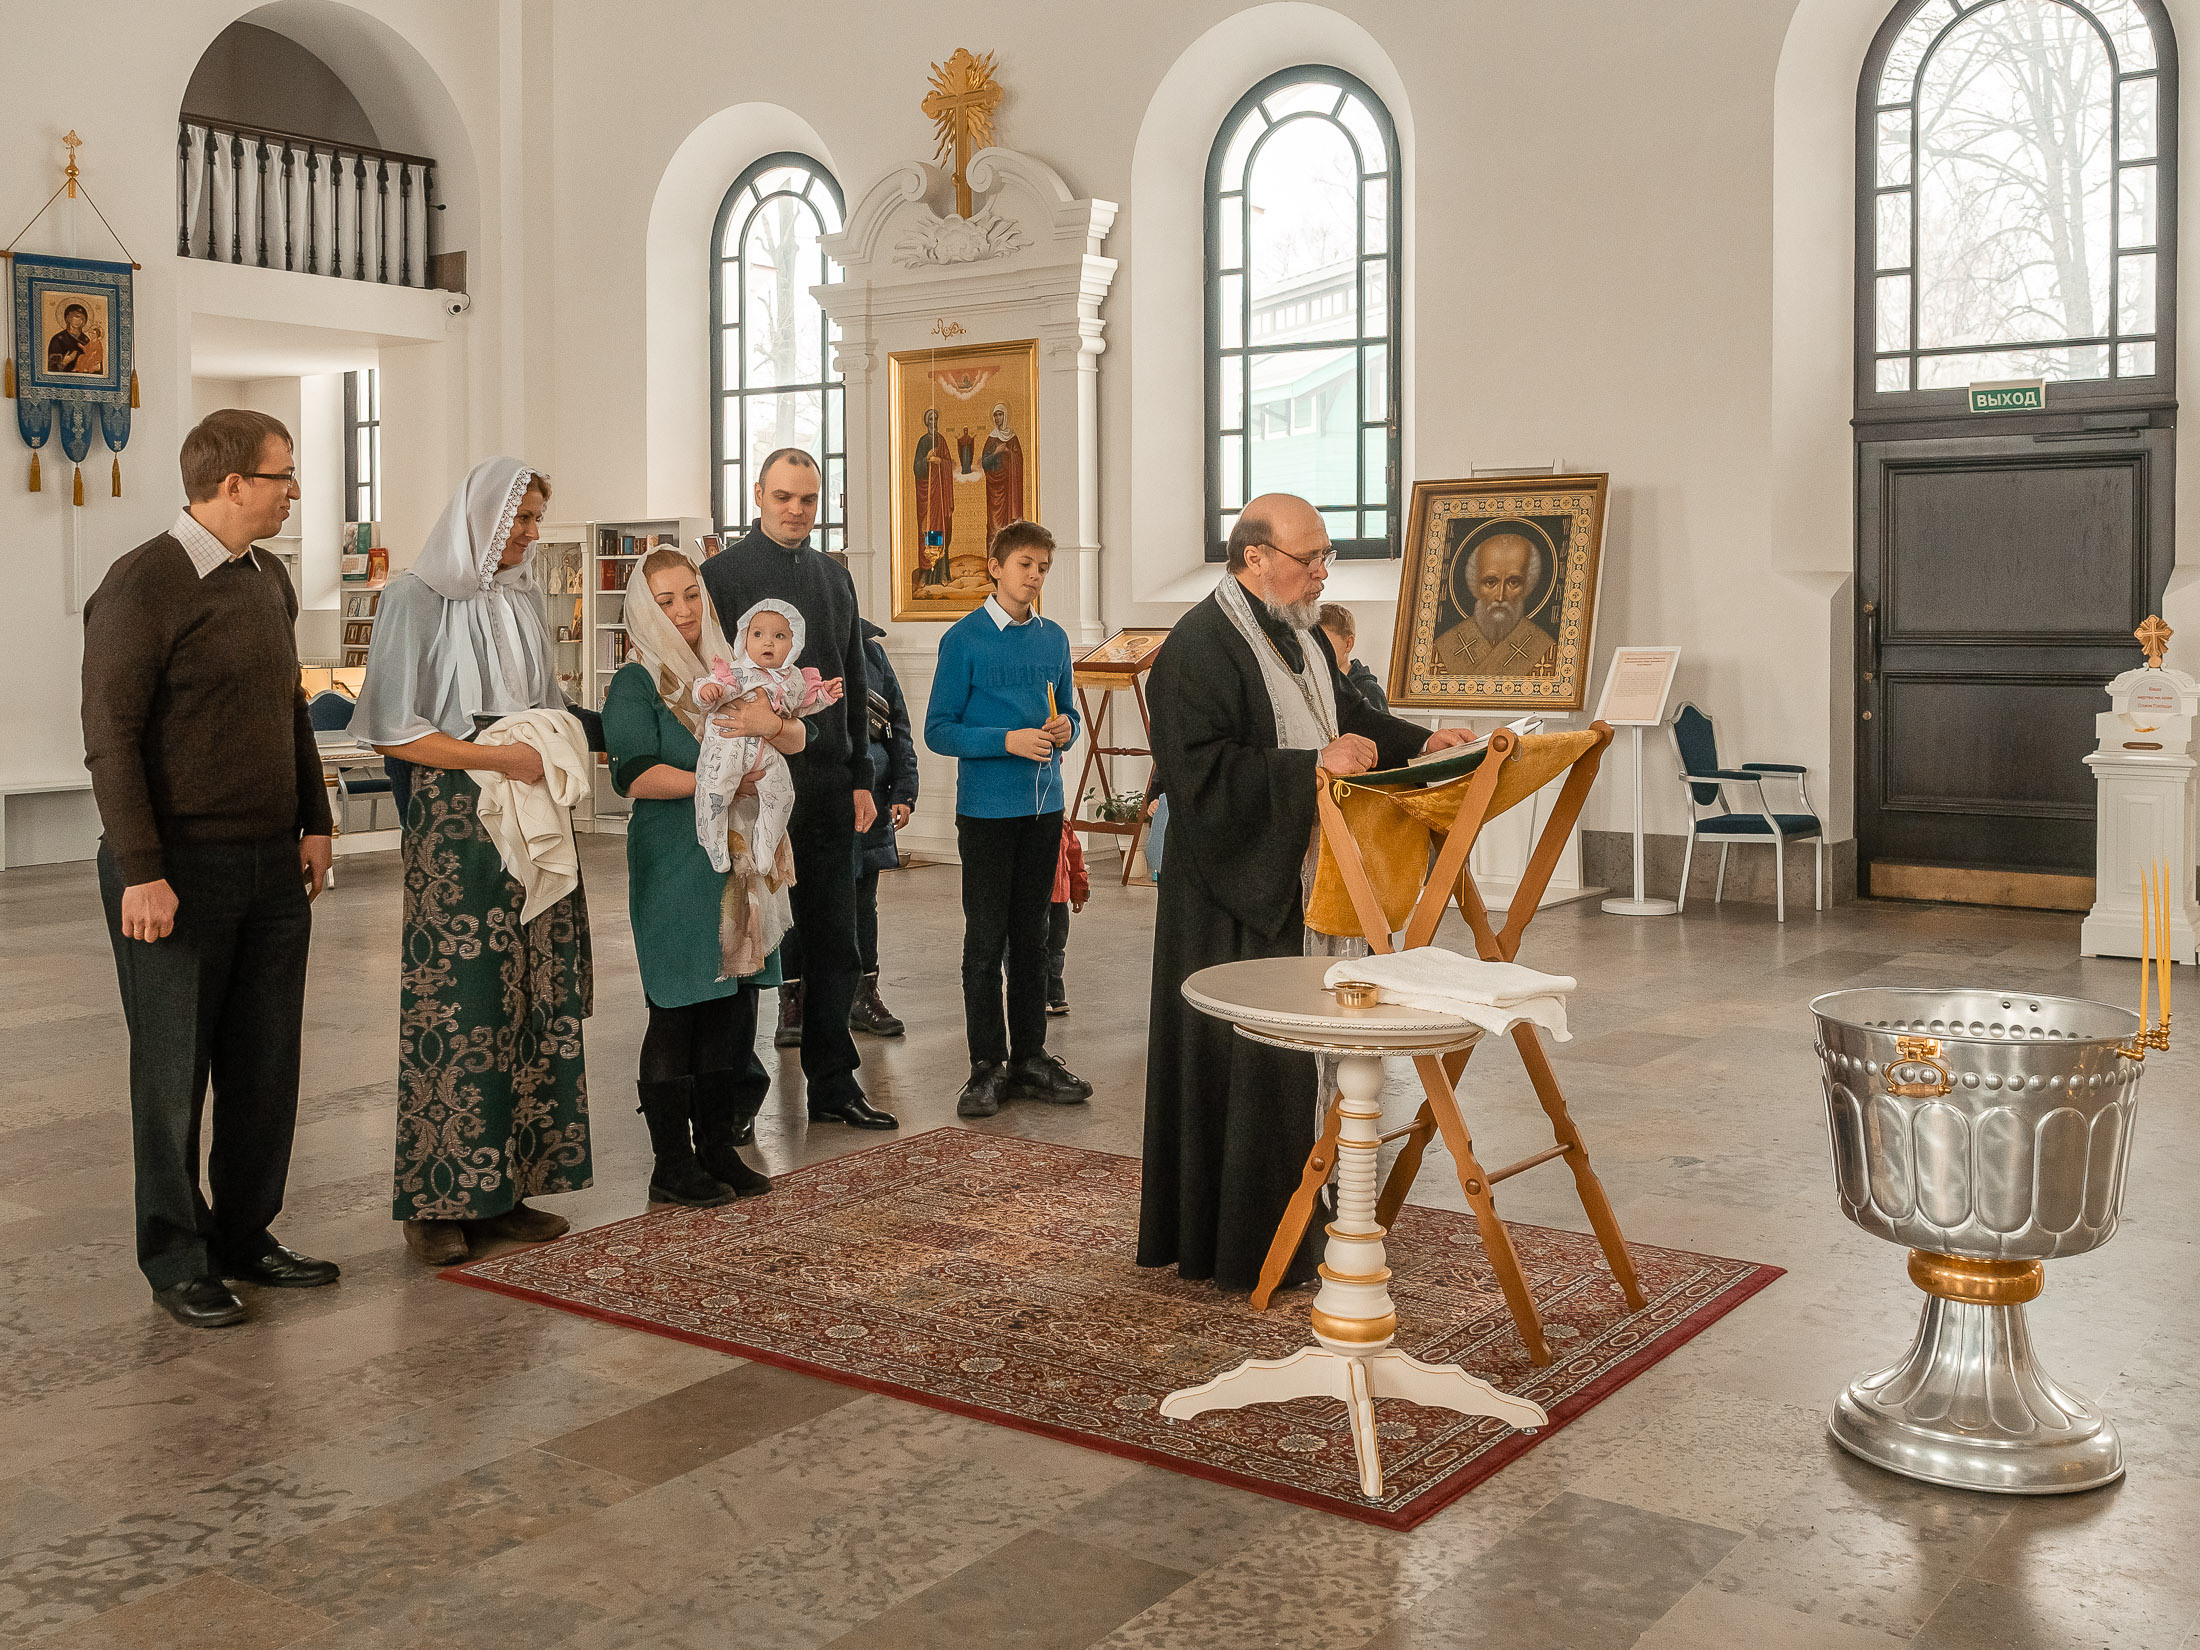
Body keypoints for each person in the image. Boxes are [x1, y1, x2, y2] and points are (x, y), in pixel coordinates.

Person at [1137, 493, 1477, 1292]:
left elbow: (1347, 713)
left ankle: (1308, 1216)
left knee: (1299, 1067)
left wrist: (1421, 740)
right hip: (1233, 894)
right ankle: (1246, 1240)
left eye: (1325, 557)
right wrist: (1310, 770)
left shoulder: (1295, 632)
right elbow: (1198, 774)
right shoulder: (1199, 646)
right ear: (1256, 557)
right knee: (1250, 1070)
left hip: (1298, 878)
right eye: (1309, 558)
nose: (1322, 572)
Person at [82, 408, 339, 1329]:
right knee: (172, 1071)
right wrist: (144, 869)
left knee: (265, 1065)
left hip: (273, 864)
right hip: (176, 870)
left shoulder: (267, 577)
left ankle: (245, 1235)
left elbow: (290, 712)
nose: (293, 491)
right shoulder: (141, 584)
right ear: (230, 484)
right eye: (282, 476)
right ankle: (176, 1257)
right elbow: (109, 740)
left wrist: (316, 821)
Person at [352, 458, 595, 1265]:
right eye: (518, 522)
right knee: (459, 1004)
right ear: (479, 522)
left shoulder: (521, 596)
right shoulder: (414, 597)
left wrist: (553, 749)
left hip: (528, 803)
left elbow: (543, 704)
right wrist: (496, 762)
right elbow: (391, 726)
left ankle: (507, 1186)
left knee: (529, 994)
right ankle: (437, 1200)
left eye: (533, 521)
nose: (529, 536)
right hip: (458, 816)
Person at [701, 449, 896, 1130]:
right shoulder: (719, 577)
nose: (795, 510)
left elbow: (851, 678)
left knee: (834, 940)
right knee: (748, 939)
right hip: (753, 785)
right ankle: (737, 1096)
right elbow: (710, 678)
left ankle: (834, 1083)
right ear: (758, 494)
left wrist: (863, 776)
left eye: (807, 500)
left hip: (829, 783)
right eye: (783, 496)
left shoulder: (833, 579)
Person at [604, 548, 797, 1204]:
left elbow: (794, 733)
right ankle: (671, 1163)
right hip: (673, 861)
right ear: (643, 608)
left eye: (691, 595)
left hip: (742, 859)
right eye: (666, 601)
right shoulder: (637, 681)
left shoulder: (733, 669)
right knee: (678, 1007)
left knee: (734, 1007)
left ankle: (717, 1146)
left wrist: (774, 729)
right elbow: (632, 772)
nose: (683, 611)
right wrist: (717, 784)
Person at [925, 519, 1091, 1119]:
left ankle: (1030, 1058)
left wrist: (1063, 728)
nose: (1034, 577)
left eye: (1043, 568)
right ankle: (985, 1065)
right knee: (985, 939)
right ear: (995, 566)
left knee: (1035, 937)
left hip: (1044, 808)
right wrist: (1008, 740)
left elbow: (1065, 712)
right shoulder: (963, 640)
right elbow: (939, 730)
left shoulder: (1052, 640)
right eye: (1025, 565)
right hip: (988, 812)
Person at [694, 600, 843, 975]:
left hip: (766, 753)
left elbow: (802, 708)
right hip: (728, 747)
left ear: (793, 644)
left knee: (782, 794)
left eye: (779, 637)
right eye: (758, 635)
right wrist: (709, 693)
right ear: (744, 639)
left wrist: (824, 694)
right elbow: (708, 689)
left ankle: (765, 843)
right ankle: (712, 839)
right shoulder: (737, 673)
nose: (768, 643)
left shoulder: (793, 678)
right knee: (716, 790)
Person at [849, 618, 917, 1037]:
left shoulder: (872, 653)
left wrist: (904, 791)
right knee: (801, 903)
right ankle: (794, 1002)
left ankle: (863, 996)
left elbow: (897, 726)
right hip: (813, 799)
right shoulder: (787, 644)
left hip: (871, 800)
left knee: (863, 903)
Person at [1433, 532, 1559, 675]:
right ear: (1475, 583)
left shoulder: (1546, 649)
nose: (1500, 596)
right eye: (1491, 582)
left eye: (1513, 582)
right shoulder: (1443, 649)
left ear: (1527, 585)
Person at [1047, 819, 1088, 1015]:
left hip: (1059, 899)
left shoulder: (1063, 824)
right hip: (1033, 900)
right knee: (1033, 948)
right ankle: (1037, 995)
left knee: (1056, 948)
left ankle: (1054, 995)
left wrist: (1079, 892)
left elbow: (1075, 858)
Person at [1318, 603, 1389, 713]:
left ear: (1348, 644)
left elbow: (1382, 730)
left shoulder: (1369, 691)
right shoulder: (1317, 686)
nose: (1319, 651)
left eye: (1326, 644)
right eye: (1314, 645)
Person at [915, 408, 954, 586]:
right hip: (926, 495)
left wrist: (940, 462)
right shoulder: (923, 441)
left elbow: (948, 463)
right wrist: (926, 460)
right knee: (928, 532)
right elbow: (917, 468)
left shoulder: (942, 441)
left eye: (935, 420)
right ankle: (925, 572)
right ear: (926, 423)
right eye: (930, 420)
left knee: (940, 531)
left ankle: (943, 573)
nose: (933, 423)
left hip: (939, 495)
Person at [980, 402, 1024, 553]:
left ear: (1005, 416)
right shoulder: (991, 438)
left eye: (1000, 415)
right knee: (994, 527)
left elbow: (1019, 460)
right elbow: (984, 462)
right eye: (995, 415)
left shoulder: (1012, 438)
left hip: (1009, 488)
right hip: (994, 490)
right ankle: (992, 566)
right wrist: (997, 452)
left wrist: (1009, 453)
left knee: (1009, 527)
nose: (997, 418)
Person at [48, 302, 101, 374]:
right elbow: (51, 368)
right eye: (76, 317)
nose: (79, 320)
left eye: (82, 318)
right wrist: (64, 362)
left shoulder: (86, 340)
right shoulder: (58, 339)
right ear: (68, 318)